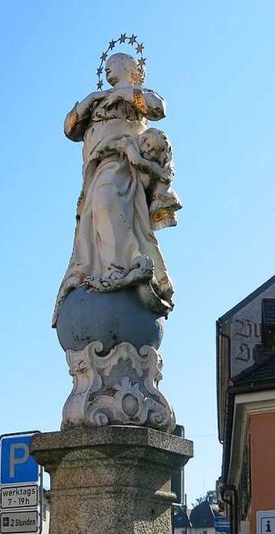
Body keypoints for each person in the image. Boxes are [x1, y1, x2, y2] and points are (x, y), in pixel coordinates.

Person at [52, 52, 180, 327]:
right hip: (96, 167)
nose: (108, 72)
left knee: (108, 203)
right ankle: (105, 266)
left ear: (129, 67)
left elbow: (158, 109)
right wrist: (89, 101)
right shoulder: (98, 100)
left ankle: (123, 265)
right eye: (106, 69)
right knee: (93, 222)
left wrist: (125, 93)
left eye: (113, 66)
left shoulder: (137, 94)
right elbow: (70, 128)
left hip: (122, 163)